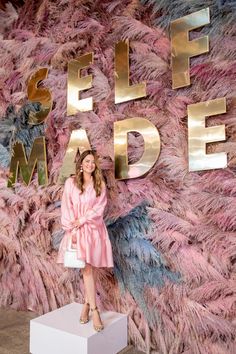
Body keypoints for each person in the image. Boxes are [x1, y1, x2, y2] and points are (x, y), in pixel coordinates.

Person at [57, 150, 114, 331]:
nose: (90, 164)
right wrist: (70, 228)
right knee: (87, 269)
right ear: (81, 163)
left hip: (94, 230)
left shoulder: (100, 185)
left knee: (90, 269)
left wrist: (82, 220)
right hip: (77, 231)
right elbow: (66, 207)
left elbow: (99, 209)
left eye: (93, 162)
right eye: (87, 161)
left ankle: (87, 305)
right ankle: (95, 310)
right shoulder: (71, 183)